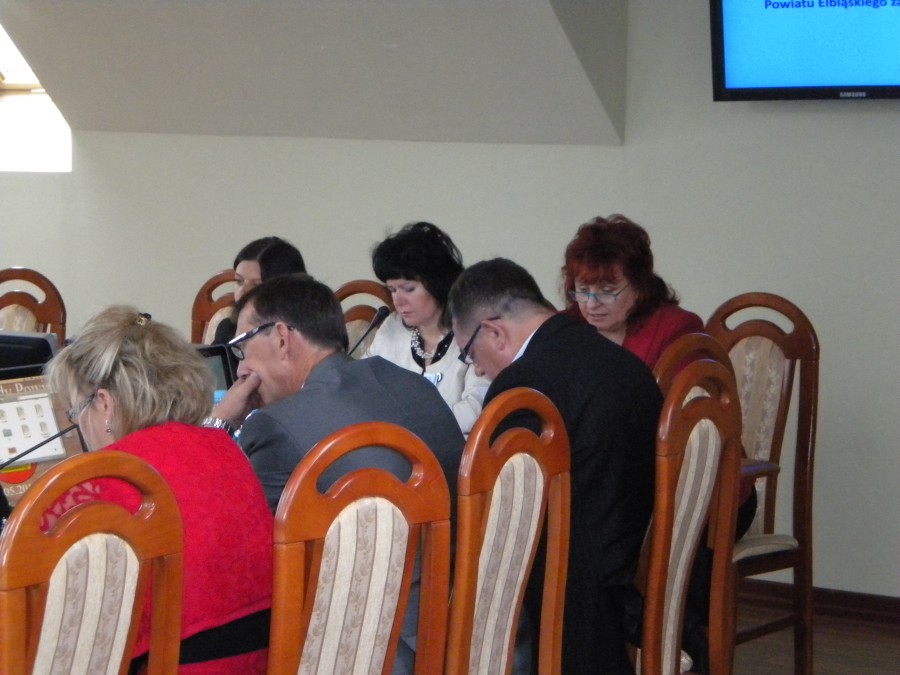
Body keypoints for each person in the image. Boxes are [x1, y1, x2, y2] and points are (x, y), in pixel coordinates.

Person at [209, 273, 465, 674]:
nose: (241, 369)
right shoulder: (414, 386)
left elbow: (234, 554)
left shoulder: (277, 426)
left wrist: (218, 427)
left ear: (281, 338)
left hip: (374, 651)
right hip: (460, 633)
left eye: (242, 348)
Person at [448, 258, 662, 675]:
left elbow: (507, 510)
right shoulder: (620, 360)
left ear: (494, 332)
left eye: (470, 353)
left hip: (574, 590)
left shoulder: (524, 387)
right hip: (636, 563)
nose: (478, 368)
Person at [44, 306, 273, 674]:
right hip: (258, 663)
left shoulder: (106, 476)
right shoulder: (224, 448)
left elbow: (36, 590)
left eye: (75, 412)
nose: (78, 426)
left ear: (104, 403)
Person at [365, 221, 489, 434]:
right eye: (392, 290)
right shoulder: (392, 328)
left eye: (408, 289)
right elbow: (361, 390)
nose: (398, 300)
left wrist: (407, 431)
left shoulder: (474, 333)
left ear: (437, 283)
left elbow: (475, 411)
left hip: (456, 450)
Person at [562, 214, 703, 368]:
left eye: (606, 291)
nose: (591, 304)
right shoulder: (561, 329)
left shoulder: (675, 328)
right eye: (583, 290)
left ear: (638, 286)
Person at [213, 236, 306, 344]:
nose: (243, 292)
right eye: (239, 281)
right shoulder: (228, 329)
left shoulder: (306, 337)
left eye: (256, 285)